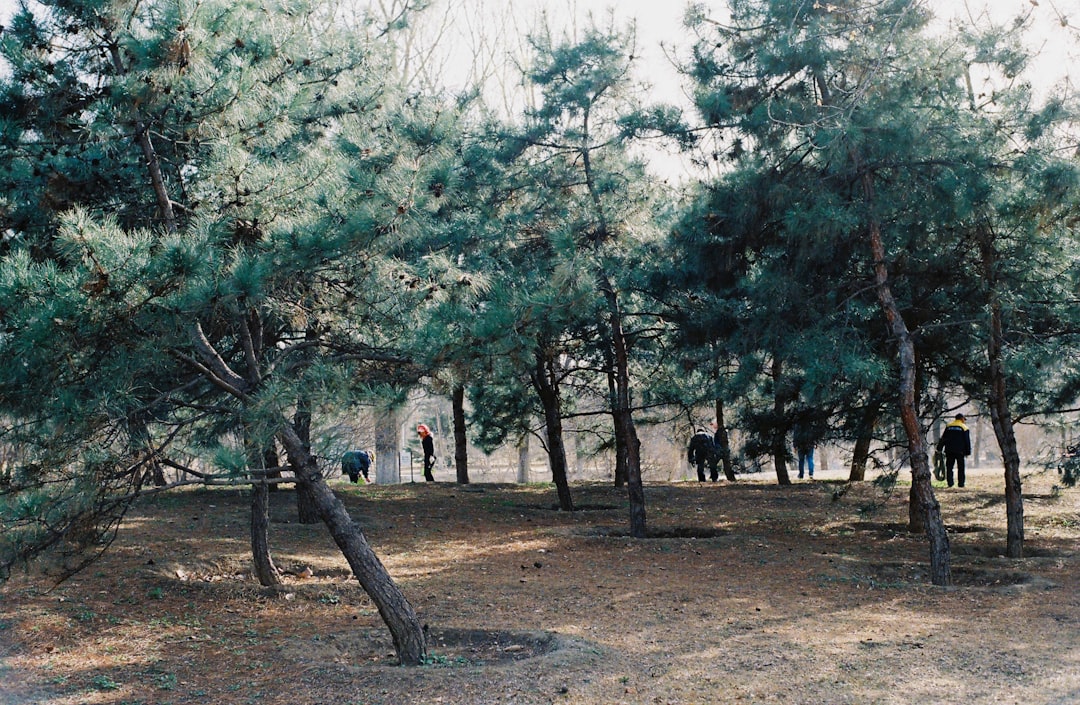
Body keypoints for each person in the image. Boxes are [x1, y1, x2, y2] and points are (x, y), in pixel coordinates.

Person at [937, 413, 972, 487]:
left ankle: (950, 483)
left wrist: (939, 448)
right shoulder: (964, 427)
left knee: (949, 467)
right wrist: (968, 452)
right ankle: (961, 484)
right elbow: (967, 441)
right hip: (960, 451)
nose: (964, 421)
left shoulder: (948, 426)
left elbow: (943, 438)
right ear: (962, 419)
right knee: (961, 468)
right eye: (964, 419)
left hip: (949, 450)